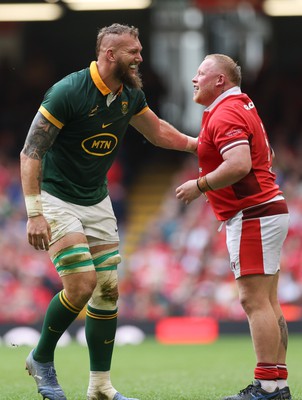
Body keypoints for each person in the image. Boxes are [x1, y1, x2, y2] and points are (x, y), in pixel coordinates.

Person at [20, 23, 197, 400]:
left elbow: (158, 131)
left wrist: (200, 146)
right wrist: (34, 212)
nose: (141, 57)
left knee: (107, 291)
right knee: (81, 284)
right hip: (56, 196)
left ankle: (100, 388)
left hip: (95, 197)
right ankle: (41, 357)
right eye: (134, 51)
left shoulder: (130, 93)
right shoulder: (69, 91)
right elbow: (30, 152)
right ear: (110, 55)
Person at [175, 54, 291, 400]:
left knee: (254, 301)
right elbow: (265, 155)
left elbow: (240, 163)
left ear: (220, 80)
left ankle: (267, 387)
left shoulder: (225, 111)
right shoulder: (241, 106)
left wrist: (200, 185)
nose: (194, 79)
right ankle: (278, 385)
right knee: (267, 301)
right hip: (265, 208)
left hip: (253, 213)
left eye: (200, 73)